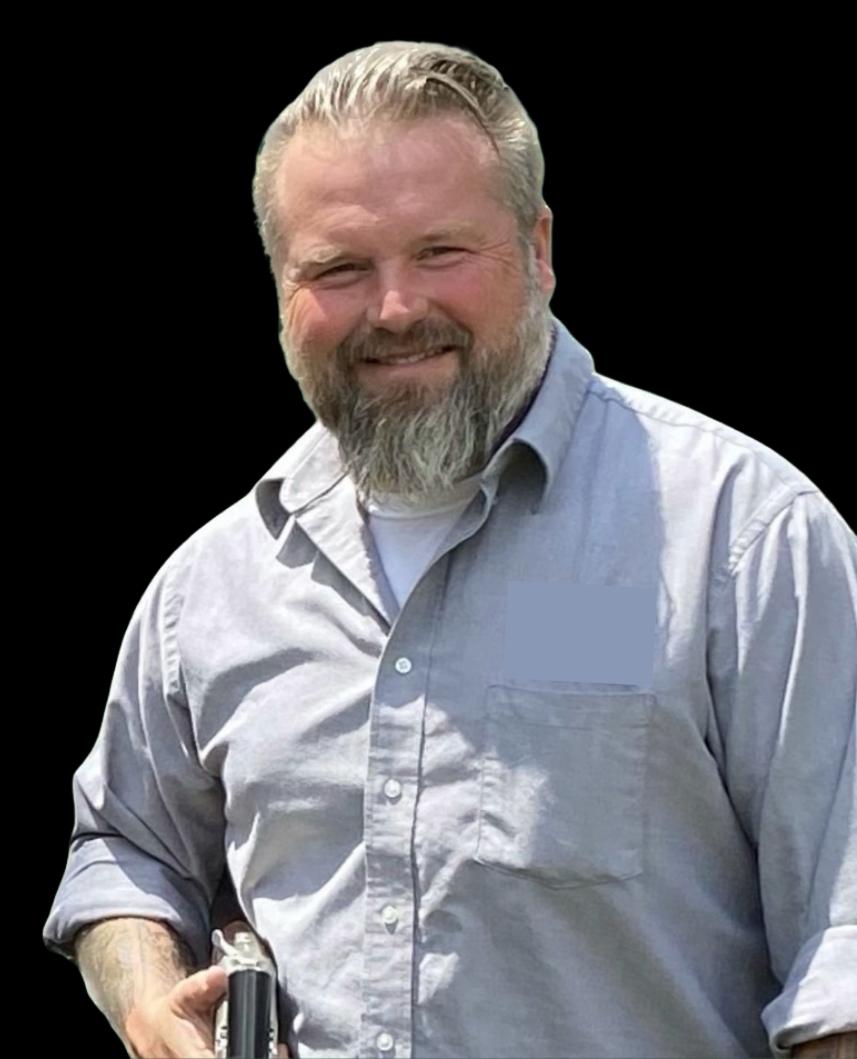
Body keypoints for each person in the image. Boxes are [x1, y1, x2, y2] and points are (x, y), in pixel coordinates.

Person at [44, 41, 856, 1059]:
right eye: (338, 268)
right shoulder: (211, 589)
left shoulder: (739, 541)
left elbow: (844, 961)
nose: (394, 309)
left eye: (440, 252)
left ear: (538, 247)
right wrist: (145, 998)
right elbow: (124, 849)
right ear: (279, 287)